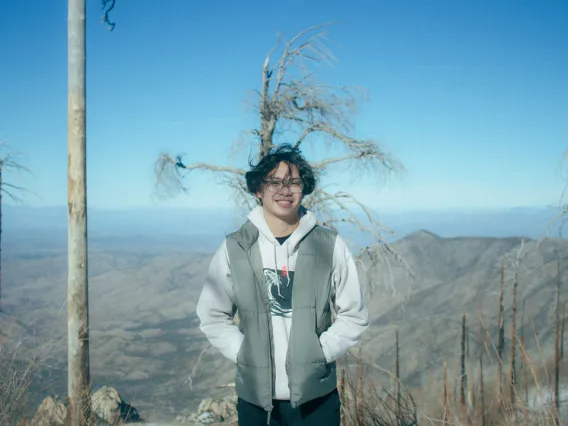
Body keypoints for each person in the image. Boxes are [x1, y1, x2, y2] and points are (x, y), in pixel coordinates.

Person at [196, 144, 369, 425]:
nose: (285, 190)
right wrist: (244, 352)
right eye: (274, 182)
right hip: (255, 400)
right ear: (258, 190)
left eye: (294, 182)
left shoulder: (329, 245)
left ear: (304, 188)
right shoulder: (235, 247)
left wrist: (319, 354)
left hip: (317, 400)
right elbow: (212, 315)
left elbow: (354, 316)